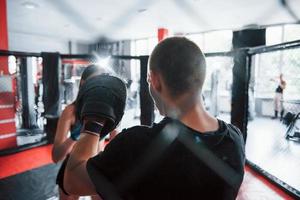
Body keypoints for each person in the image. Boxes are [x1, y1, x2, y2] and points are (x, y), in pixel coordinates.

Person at [64, 37, 245, 200]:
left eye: (149, 80)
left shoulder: (135, 145)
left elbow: (72, 182)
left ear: (156, 80)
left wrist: (94, 123)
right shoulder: (235, 139)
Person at [52, 64, 107, 200]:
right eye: (95, 81)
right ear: (83, 83)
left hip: (96, 167)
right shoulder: (70, 112)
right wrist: (75, 137)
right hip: (72, 167)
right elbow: (56, 156)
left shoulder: (107, 112)